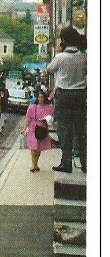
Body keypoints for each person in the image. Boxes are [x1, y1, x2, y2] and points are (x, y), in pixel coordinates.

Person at [44, 26, 87, 173]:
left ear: (64, 41)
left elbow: (49, 69)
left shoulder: (60, 57)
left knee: (65, 129)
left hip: (64, 96)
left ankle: (66, 162)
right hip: (81, 95)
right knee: (81, 130)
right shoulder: (83, 56)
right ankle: (85, 161)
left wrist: (58, 51)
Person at [20, 91, 55, 172]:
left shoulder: (49, 108)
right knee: (33, 147)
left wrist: (45, 120)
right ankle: (33, 165)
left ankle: (36, 164)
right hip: (33, 128)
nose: (40, 99)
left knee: (38, 148)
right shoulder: (32, 107)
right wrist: (24, 128)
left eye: (42, 97)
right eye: (39, 97)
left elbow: (51, 118)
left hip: (42, 129)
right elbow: (28, 119)